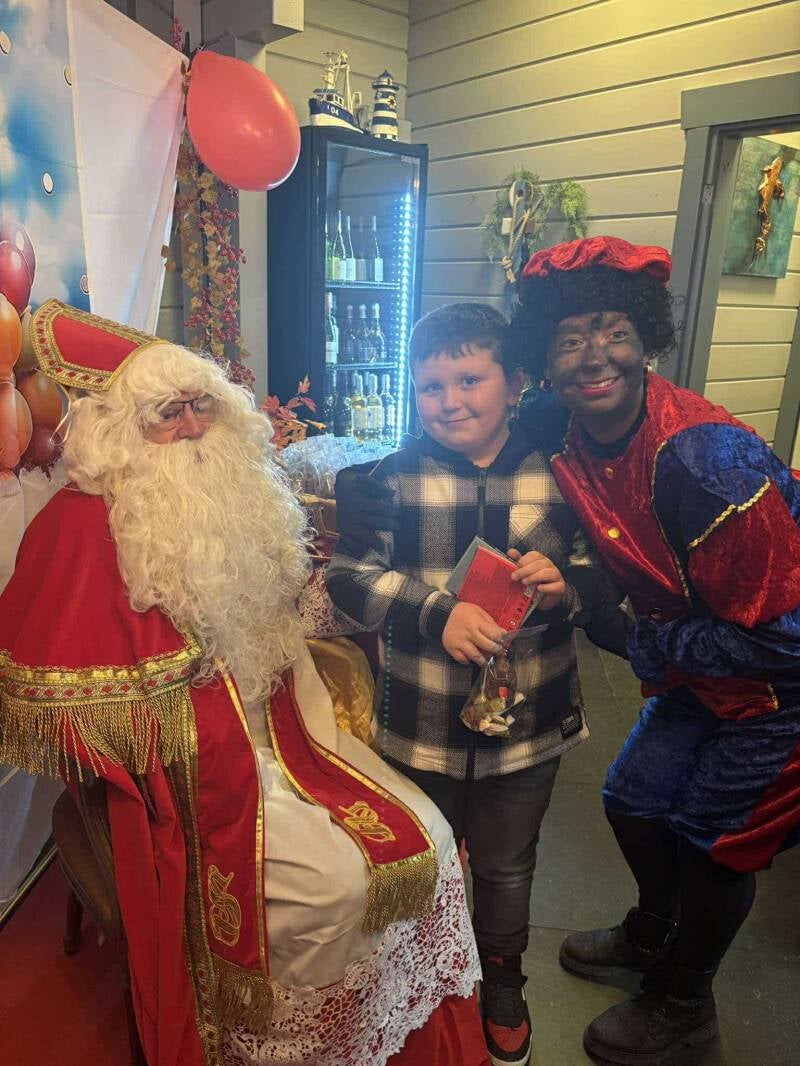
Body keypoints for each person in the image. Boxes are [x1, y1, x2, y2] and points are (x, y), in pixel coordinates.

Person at [0, 299, 490, 1066]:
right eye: (168, 413)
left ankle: (391, 1036)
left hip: (290, 730)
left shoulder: (236, 496)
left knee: (426, 833)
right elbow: (45, 696)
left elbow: (287, 616)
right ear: (120, 430)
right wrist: (157, 707)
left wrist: (349, 574)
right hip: (186, 779)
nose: (193, 426)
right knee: (333, 890)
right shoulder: (78, 525)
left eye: (203, 405)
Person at [505, 235, 800, 1064]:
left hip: (780, 686)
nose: (594, 354)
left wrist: (638, 636)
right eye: (570, 338)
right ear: (546, 362)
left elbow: (782, 634)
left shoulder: (704, 460)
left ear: (646, 340)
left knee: (714, 839)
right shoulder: (561, 426)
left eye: (614, 331)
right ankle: (653, 935)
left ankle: (685, 1004)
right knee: (634, 799)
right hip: (699, 668)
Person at [326, 303, 627, 1066]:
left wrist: (566, 586)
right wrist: (436, 612)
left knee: (506, 864)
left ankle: (503, 981)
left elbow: (605, 573)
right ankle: (419, 975)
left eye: (469, 380)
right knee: (424, 855)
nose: (449, 401)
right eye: (430, 386)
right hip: (419, 721)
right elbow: (349, 578)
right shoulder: (392, 480)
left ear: (515, 382)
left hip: (530, 723)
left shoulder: (561, 477)